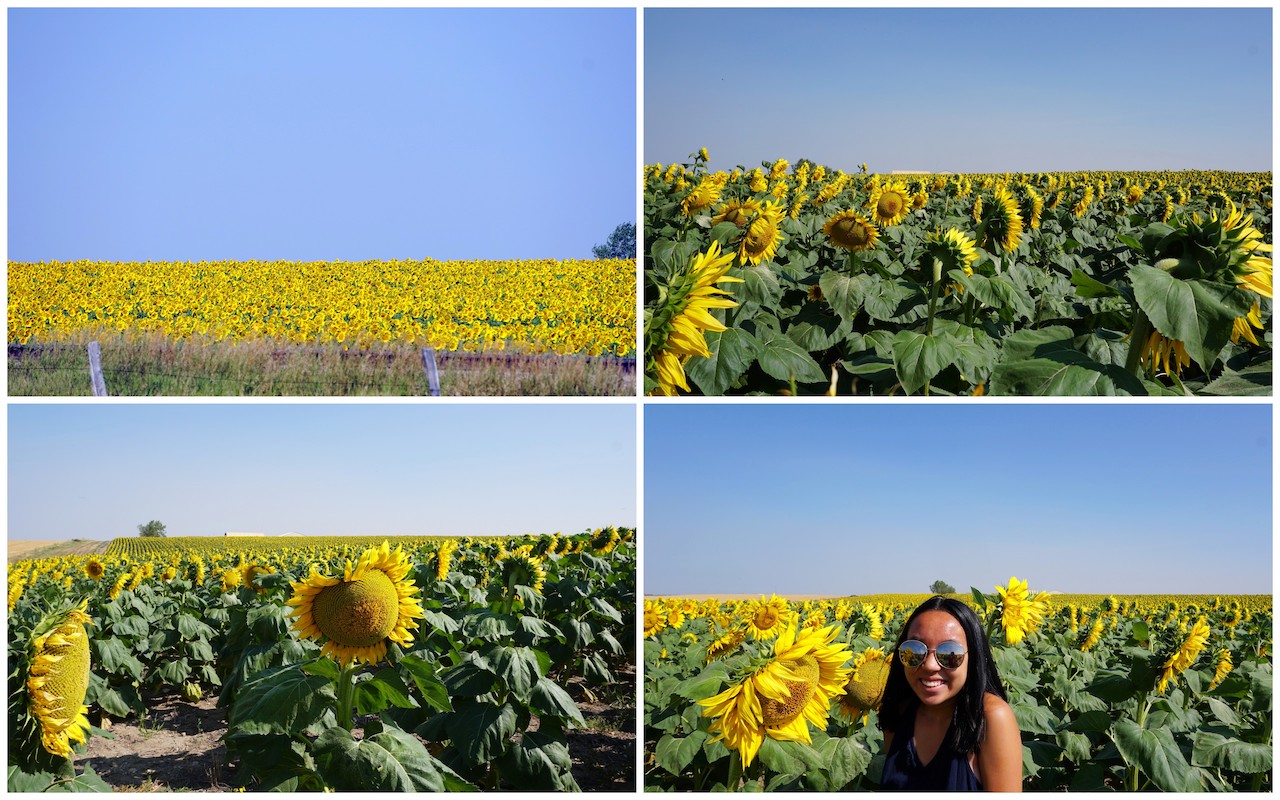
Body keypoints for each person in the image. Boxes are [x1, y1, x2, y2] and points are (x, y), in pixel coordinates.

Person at [878, 596, 1022, 791]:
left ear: (974, 657)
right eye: (914, 651)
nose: (929, 665)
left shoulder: (991, 718)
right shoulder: (900, 710)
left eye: (949, 654)